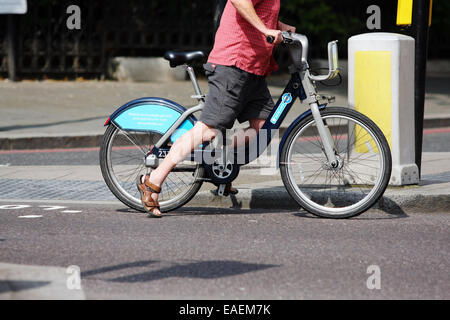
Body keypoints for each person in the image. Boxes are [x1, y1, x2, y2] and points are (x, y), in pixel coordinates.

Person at [137, 0, 295, 217]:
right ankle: (153, 180)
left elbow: (261, 11)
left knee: (264, 128)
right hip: (234, 64)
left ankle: (221, 159)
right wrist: (266, 30)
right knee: (208, 130)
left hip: (253, 68)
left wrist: (279, 25)